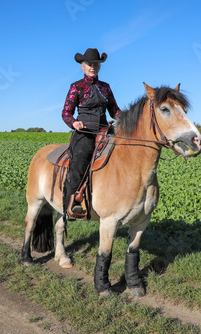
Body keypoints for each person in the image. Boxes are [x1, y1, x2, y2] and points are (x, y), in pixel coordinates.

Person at [61, 48, 122, 220]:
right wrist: (74, 122)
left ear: (99, 66)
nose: (92, 67)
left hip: (104, 130)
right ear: (83, 66)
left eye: (96, 64)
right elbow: (66, 113)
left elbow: (114, 111)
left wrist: (128, 119)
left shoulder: (106, 87)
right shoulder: (76, 87)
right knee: (80, 159)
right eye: (89, 64)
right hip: (85, 132)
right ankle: (73, 204)